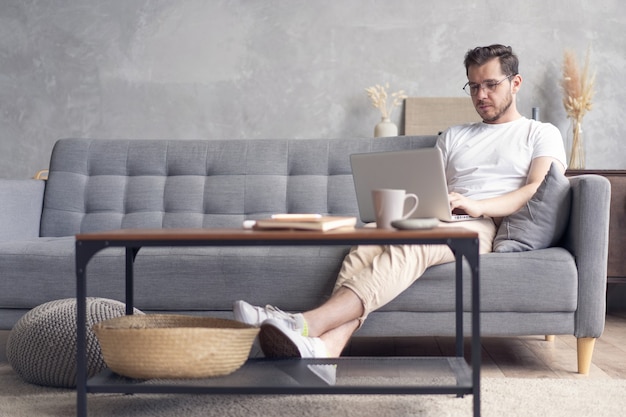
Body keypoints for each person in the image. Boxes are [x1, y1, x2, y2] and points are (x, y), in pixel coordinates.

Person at [234, 44, 567, 359]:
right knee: (367, 239)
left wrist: (480, 206)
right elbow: (430, 184)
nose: (481, 95)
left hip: (483, 224)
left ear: (516, 82)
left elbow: (536, 187)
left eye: (491, 85)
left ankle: (303, 323)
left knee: (412, 245)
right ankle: (325, 348)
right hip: (443, 216)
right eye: (473, 86)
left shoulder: (540, 132)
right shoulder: (454, 135)